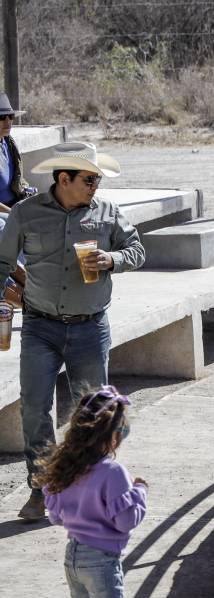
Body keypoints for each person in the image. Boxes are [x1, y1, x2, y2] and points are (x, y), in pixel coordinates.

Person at [0, 141, 145, 520]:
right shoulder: (26, 214)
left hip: (90, 328)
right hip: (39, 327)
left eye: (97, 179)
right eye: (90, 179)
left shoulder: (108, 212)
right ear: (64, 178)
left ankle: (90, 489)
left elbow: (137, 249)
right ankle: (41, 490)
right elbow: (1, 262)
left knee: (96, 412)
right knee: (34, 409)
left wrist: (112, 259)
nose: (96, 185)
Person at [39, 386, 146, 598]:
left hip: (72, 558)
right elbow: (125, 521)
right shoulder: (113, 471)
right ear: (113, 435)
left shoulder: (66, 465)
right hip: (101, 562)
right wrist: (140, 492)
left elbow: (55, 517)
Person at [0, 92, 34, 307]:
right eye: (1, 118)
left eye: (10, 117)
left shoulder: (8, 144)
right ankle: (31, 297)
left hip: (13, 206)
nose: (7, 122)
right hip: (3, 213)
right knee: (6, 228)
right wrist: (13, 213)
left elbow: (18, 182)